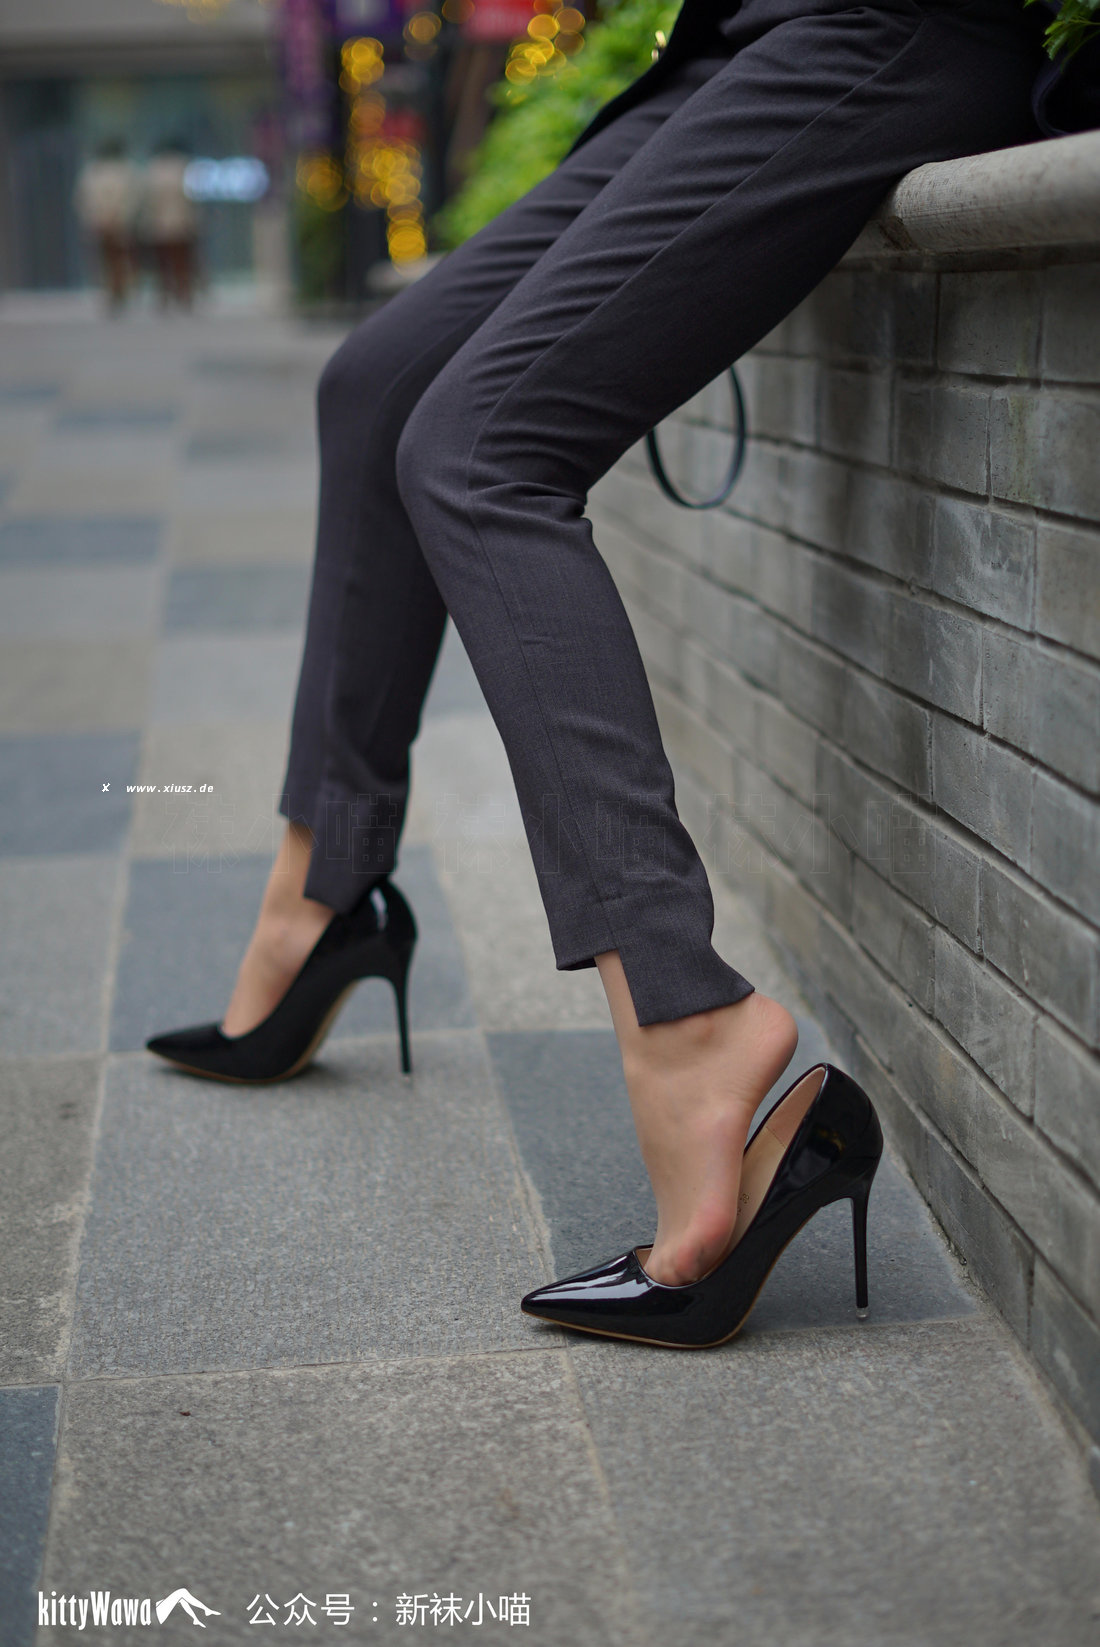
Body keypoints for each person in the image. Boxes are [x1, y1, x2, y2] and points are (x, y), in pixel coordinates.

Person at [149, 0, 1065, 1345]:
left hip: (888, 27)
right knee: (377, 383)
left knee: (478, 452)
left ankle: (690, 1021)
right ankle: (320, 882)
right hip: (736, 46)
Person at [74, 139, 139, 311]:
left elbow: (84, 199)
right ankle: (114, 290)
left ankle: (118, 289)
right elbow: (85, 199)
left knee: (115, 258)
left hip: (111, 221)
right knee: (110, 258)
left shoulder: (96, 172)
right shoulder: (107, 171)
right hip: (109, 221)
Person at [141, 140, 199, 309]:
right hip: (177, 221)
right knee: (180, 261)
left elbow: (148, 199)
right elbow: (190, 198)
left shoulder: (153, 169)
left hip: (163, 222)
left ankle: (170, 293)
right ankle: (180, 293)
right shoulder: (182, 167)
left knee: (165, 263)